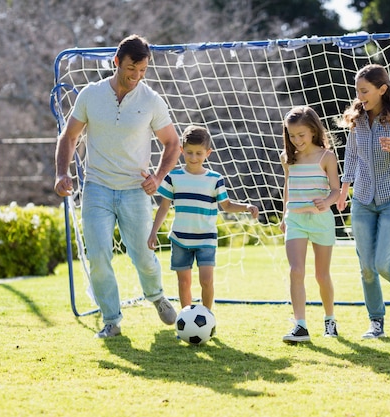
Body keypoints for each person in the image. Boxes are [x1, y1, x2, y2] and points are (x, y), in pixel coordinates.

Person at [54, 34, 181, 339]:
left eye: (142, 71)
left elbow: (172, 142)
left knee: (142, 255)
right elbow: (69, 137)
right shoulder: (90, 95)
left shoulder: (151, 100)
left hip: (134, 190)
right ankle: (111, 319)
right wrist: (61, 173)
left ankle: (157, 296)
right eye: (131, 69)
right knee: (98, 256)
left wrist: (158, 177)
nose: (137, 76)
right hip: (97, 188)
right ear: (116, 62)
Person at [336, 63, 390, 339]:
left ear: (382, 89)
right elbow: (351, 155)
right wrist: (343, 189)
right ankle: (376, 322)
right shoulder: (357, 119)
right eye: (357, 91)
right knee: (366, 268)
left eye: (365, 91)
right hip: (362, 199)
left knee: (383, 264)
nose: (360, 96)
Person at [147, 125, 259, 312]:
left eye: (199, 153)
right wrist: (153, 232)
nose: (193, 157)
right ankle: (185, 320)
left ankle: (208, 318)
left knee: (206, 281)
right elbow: (164, 207)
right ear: (181, 150)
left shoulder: (215, 179)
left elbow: (227, 205)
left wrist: (246, 207)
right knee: (184, 283)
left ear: (208, 153)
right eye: (189, 152)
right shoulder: (173, 178)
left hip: (206, 240)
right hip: (180, 239)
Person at [280, 106, 341, 343]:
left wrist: (326, 201)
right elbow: (287, 186)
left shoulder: (327, 157)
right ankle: (301, 325)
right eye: (292, 135)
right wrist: (285, 215)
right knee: (296, 271)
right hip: (295, 219)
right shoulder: (288, 157)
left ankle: (329, 319)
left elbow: (336, 190)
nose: (296, 140)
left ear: (313, 131)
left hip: (320, 221)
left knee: (321, 275)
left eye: (301, 135)